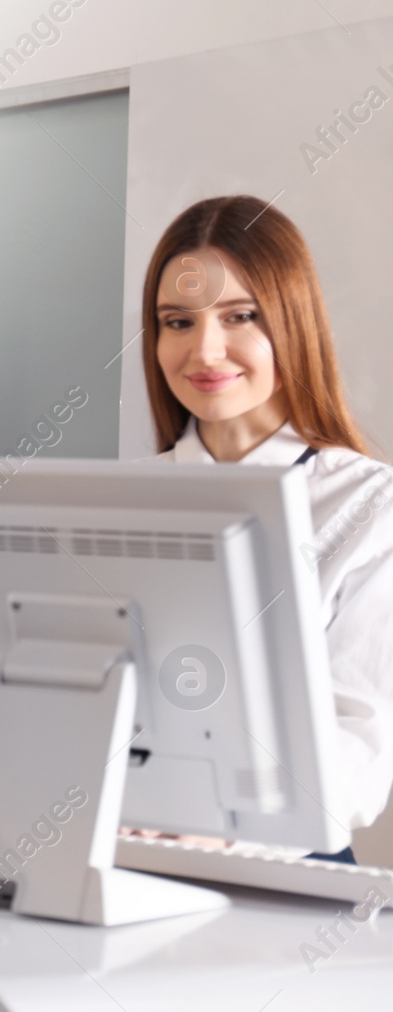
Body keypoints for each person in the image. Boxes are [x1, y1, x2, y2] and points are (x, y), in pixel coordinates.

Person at [143, 195, 393, 840]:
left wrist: (224, 825)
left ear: (291, 322)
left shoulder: (367, 505)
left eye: (241, 316)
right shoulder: (136, 494)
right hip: (132, 836)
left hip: (281, 853)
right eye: (178, 322)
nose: (205, 350)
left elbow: (360, 740)